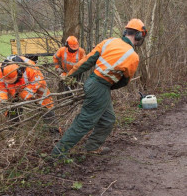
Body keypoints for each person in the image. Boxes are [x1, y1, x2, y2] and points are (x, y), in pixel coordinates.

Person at [51, 19, 147, 157]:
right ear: (138, 36)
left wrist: (69, 75)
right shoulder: (133, 56)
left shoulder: (109, 42)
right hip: (100, 87)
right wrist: (107, 87)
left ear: (126, 31)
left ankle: (92, 147)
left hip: (93, 83)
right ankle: (57, 153)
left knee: (108, 119)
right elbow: (124, 81)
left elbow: (87, 61)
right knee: (84, 122)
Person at [0, 55, 57, 131]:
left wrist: (24, 95)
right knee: (12, 110)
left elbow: (37, 81)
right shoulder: (0, 70)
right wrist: (3, 100)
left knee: (46, 106)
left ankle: (53, 130)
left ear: (20, 71)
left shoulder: (30, 67)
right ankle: (13, 131)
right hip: (14, 91)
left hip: (36, 87)